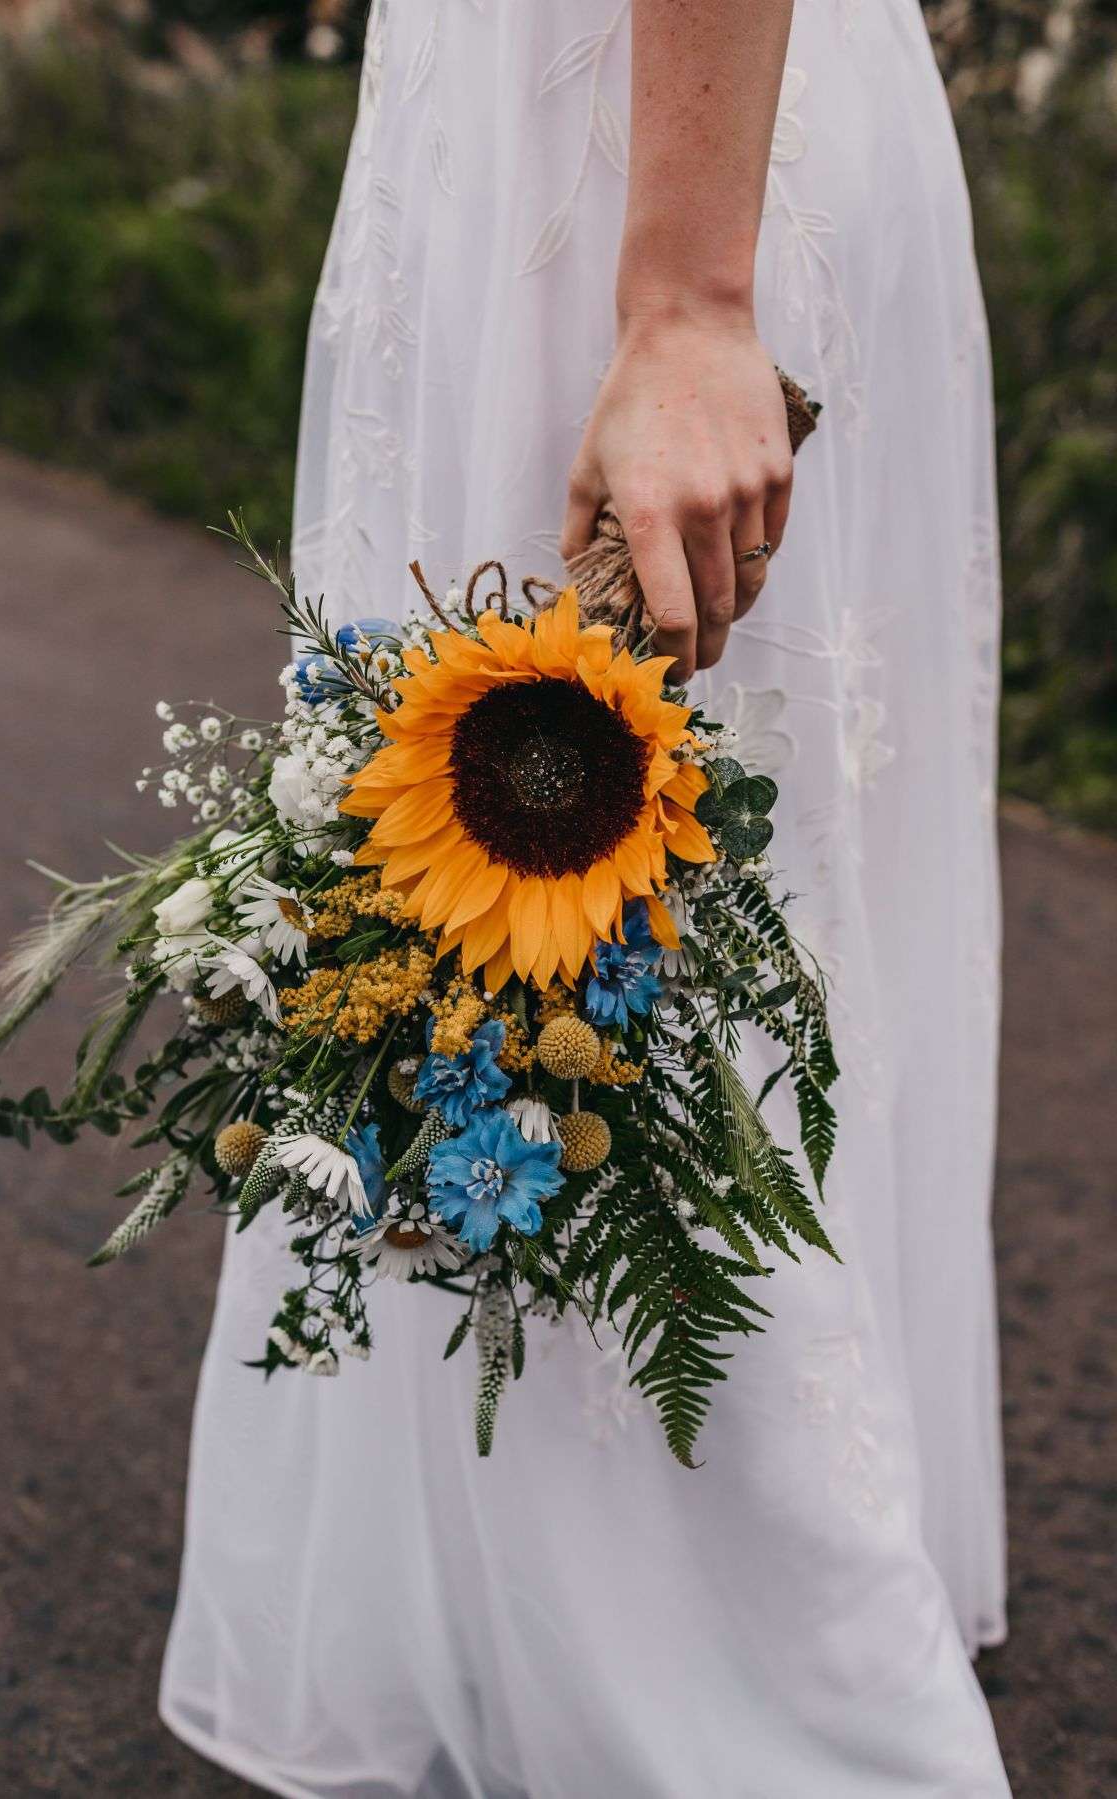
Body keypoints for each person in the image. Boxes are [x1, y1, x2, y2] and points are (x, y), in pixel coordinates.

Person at [161, 2, 1011, 1792]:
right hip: (533, 136)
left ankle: (778, 1681)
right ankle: (519, 1606)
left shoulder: (667, 262)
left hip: (648, 165)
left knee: (671, 916)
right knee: (490, 883)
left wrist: (690, 296)